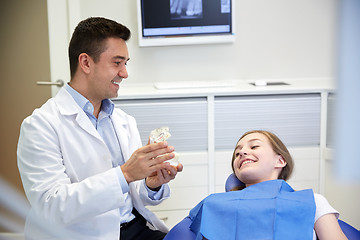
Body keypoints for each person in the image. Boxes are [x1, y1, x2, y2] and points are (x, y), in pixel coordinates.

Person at [17, 17, 183, 240]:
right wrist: (125, 174)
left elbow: (135, 195)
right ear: (86, 63)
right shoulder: (40, 126)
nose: (124, 73)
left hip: (134, 227)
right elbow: (51, 206)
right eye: (117, 62)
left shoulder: (123, 120)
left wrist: (151, 184)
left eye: (126, 63)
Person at [165, 130, 347, 240]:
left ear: (280, 160)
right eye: (237, 153)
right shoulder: (214, 205)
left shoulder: (312, 201)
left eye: (254, 147)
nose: (243, 152)